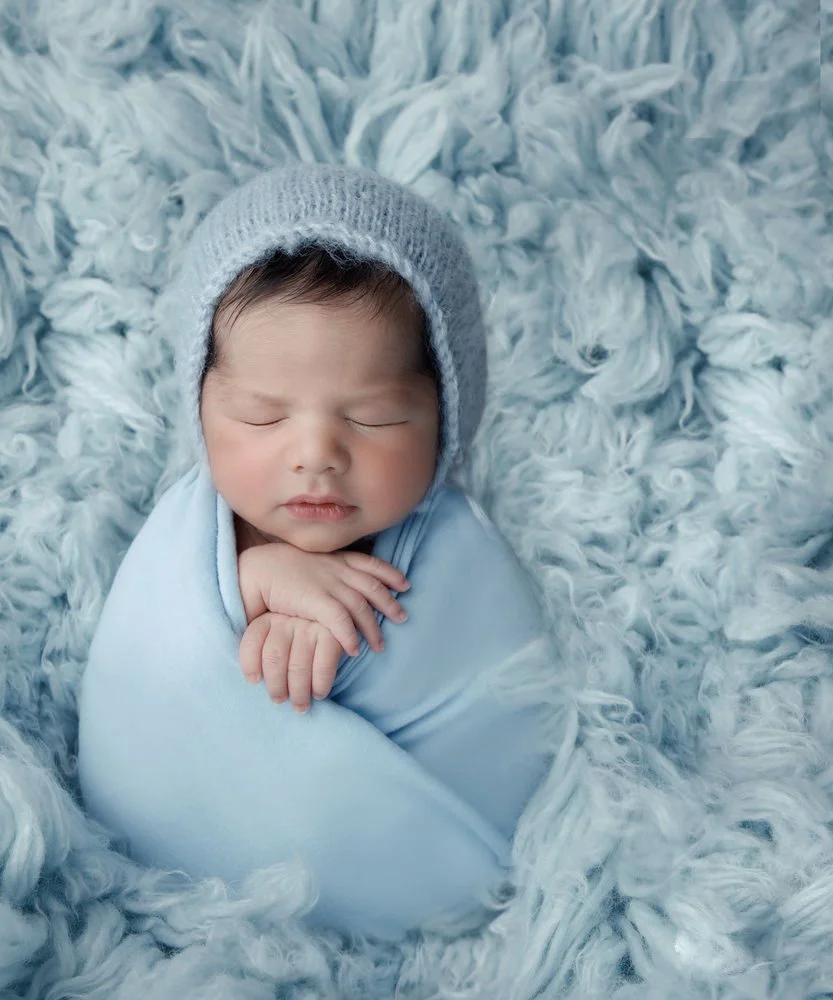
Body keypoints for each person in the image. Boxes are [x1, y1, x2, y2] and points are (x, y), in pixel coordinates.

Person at [75, 163, 560, 939]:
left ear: (449, 413)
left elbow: (504, 709)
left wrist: (339, 634)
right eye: (263, 418)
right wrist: (249, 581)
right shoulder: (184, 539)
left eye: (371, 418)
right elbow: (145, 672)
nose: (316, 455)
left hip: (420, 892)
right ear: (201, 409)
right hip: (167, 894)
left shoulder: (464, 561)